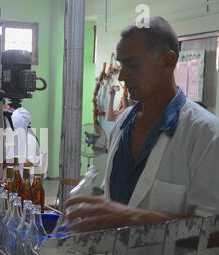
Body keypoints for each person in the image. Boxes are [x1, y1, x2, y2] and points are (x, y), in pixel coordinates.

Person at [64, 17, 219, 233]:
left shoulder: (206, 135)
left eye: (132, 65)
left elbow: (213, 234)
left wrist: (133, 218)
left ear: (168, 61)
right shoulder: (123, 124)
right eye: (121, 65)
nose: (122, 76)